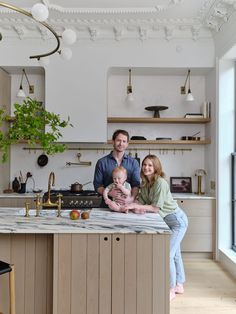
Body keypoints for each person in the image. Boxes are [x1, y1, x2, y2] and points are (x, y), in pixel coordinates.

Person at [124, 154, 188, 301]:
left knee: (168, 254)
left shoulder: (160, 183)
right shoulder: (145, 183)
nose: (146, 167)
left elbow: (155, 208)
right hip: (167, 222)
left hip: (177, 221)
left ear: (156, 168)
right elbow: (141, 201)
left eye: (150, 165)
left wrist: (136, 205)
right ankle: (179, 284)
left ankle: (170, 289)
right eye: (145, 164)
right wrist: (130, 205)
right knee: (175, 254)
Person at [93, 129, 140, 206]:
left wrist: (131, 198)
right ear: (113, 142)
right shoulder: (101, 162)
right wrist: (110, 193)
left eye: (124, 141)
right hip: (106, 206)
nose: (121, 144)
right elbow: (97, 186)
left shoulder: (134, 163)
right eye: (118, 140)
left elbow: (136, 185)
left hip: (127, 205)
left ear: (127, 144)